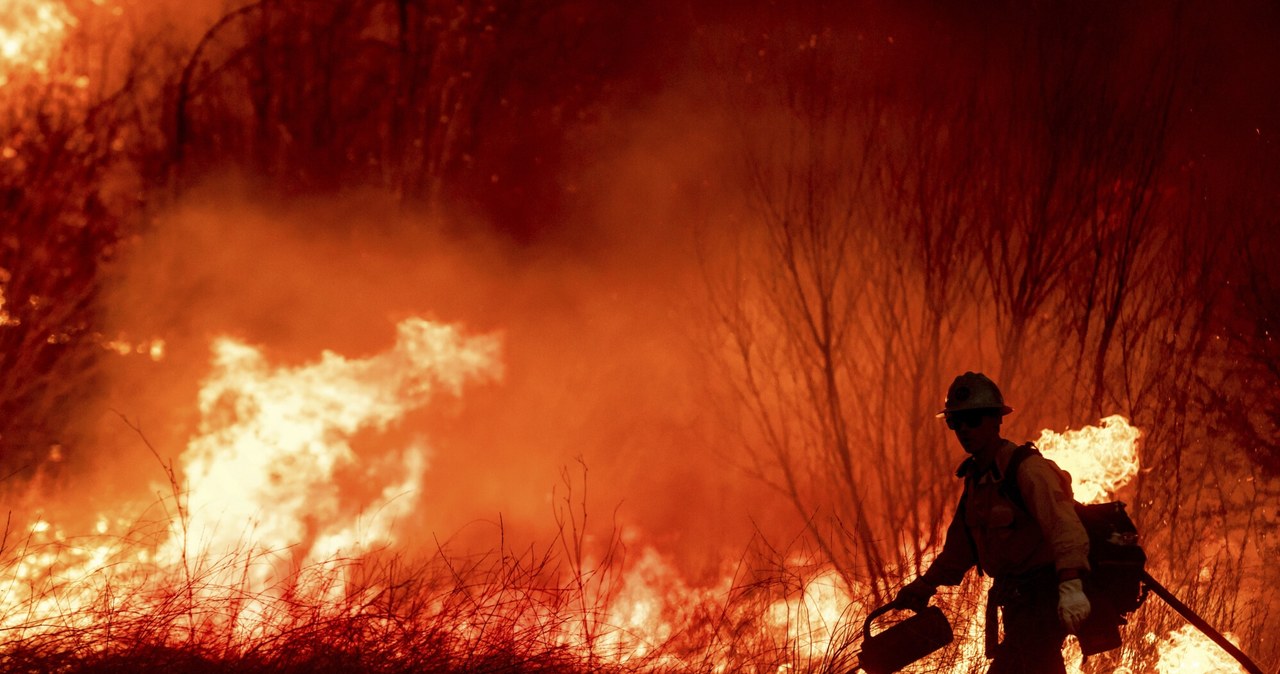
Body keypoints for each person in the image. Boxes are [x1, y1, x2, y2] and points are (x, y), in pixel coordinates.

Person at [894, 372, 1091, 674]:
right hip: (1015, 604)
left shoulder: (1026, 470)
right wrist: (925, 584)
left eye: (972, 420)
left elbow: (1064, 526)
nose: (963, 429)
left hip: (1044, 597)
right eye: (955, 422)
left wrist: (1072, 585)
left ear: (996, 420)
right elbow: (959, 551)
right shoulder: (976, 482)